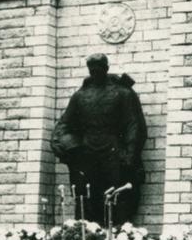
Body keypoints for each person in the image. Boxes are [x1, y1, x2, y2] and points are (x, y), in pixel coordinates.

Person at [51, 53, 147, 226]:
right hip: (87, 153)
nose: (95, 71)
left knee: (116, 198)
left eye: (99, 67)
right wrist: (61, 143)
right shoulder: (80, 96)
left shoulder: (122, 93)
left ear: (106, 68)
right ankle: (87, 235)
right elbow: (65, 123)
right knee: (86, 200)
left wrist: (130, 154)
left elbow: (133, 126)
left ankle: (117, 236)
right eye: (92, 68)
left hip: (113, 151)